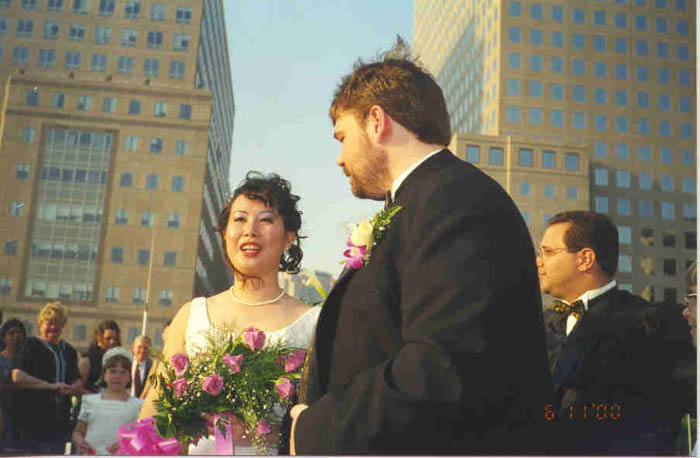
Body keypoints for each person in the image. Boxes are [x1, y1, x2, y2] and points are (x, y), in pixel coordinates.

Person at [289, 41, 552, 455]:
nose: (339, 158)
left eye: (342, 137)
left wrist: (317, 429)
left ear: (377, 121)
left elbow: (443, 364)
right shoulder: (421, 202)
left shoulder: (454, 200)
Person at [139, 171, 321, 455]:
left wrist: (260, 432)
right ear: (225, 234)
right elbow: (155, 409)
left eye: (265, 220)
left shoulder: (313, 324)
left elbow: (323, 425)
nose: (250, 230)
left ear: (288, 237)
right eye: (240, 219)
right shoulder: (192, 315)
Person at [539, 210, 681, 454]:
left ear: (585, 259)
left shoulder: (649, 322)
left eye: (548, 252)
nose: (538, 261)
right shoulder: (540, 324)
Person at [12, 302, 82, 453]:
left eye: (57, 324)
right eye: (49, 323)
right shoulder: (30, 345)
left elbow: (77, 379)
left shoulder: (68, 350)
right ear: (41, 324)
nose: (53, 327)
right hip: (32, 418)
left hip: (60, 418)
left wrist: (72, 388)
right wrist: (50, 386)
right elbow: (17, 376)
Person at [72, 346, 143, 454]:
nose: (117, 376)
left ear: (129, 377)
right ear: (104, 375)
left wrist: (127, 445)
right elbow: (78, 432)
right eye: (113, 372)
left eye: (123, 372)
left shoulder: (138, 405)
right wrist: (80, 442)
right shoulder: (90, 401)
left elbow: (143, 438)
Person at [0, 319, 26, 446]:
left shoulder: (27, 360)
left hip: (23, 413)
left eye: (18, 333)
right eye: (11, 333)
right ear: (4, 337)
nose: (15, 337)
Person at [79, 320, 121, 392]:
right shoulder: (87, 361)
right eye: (108, 339)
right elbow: (78, 389)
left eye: (115, 339)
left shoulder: (120, 361)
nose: (112, 342)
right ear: (99, 338)